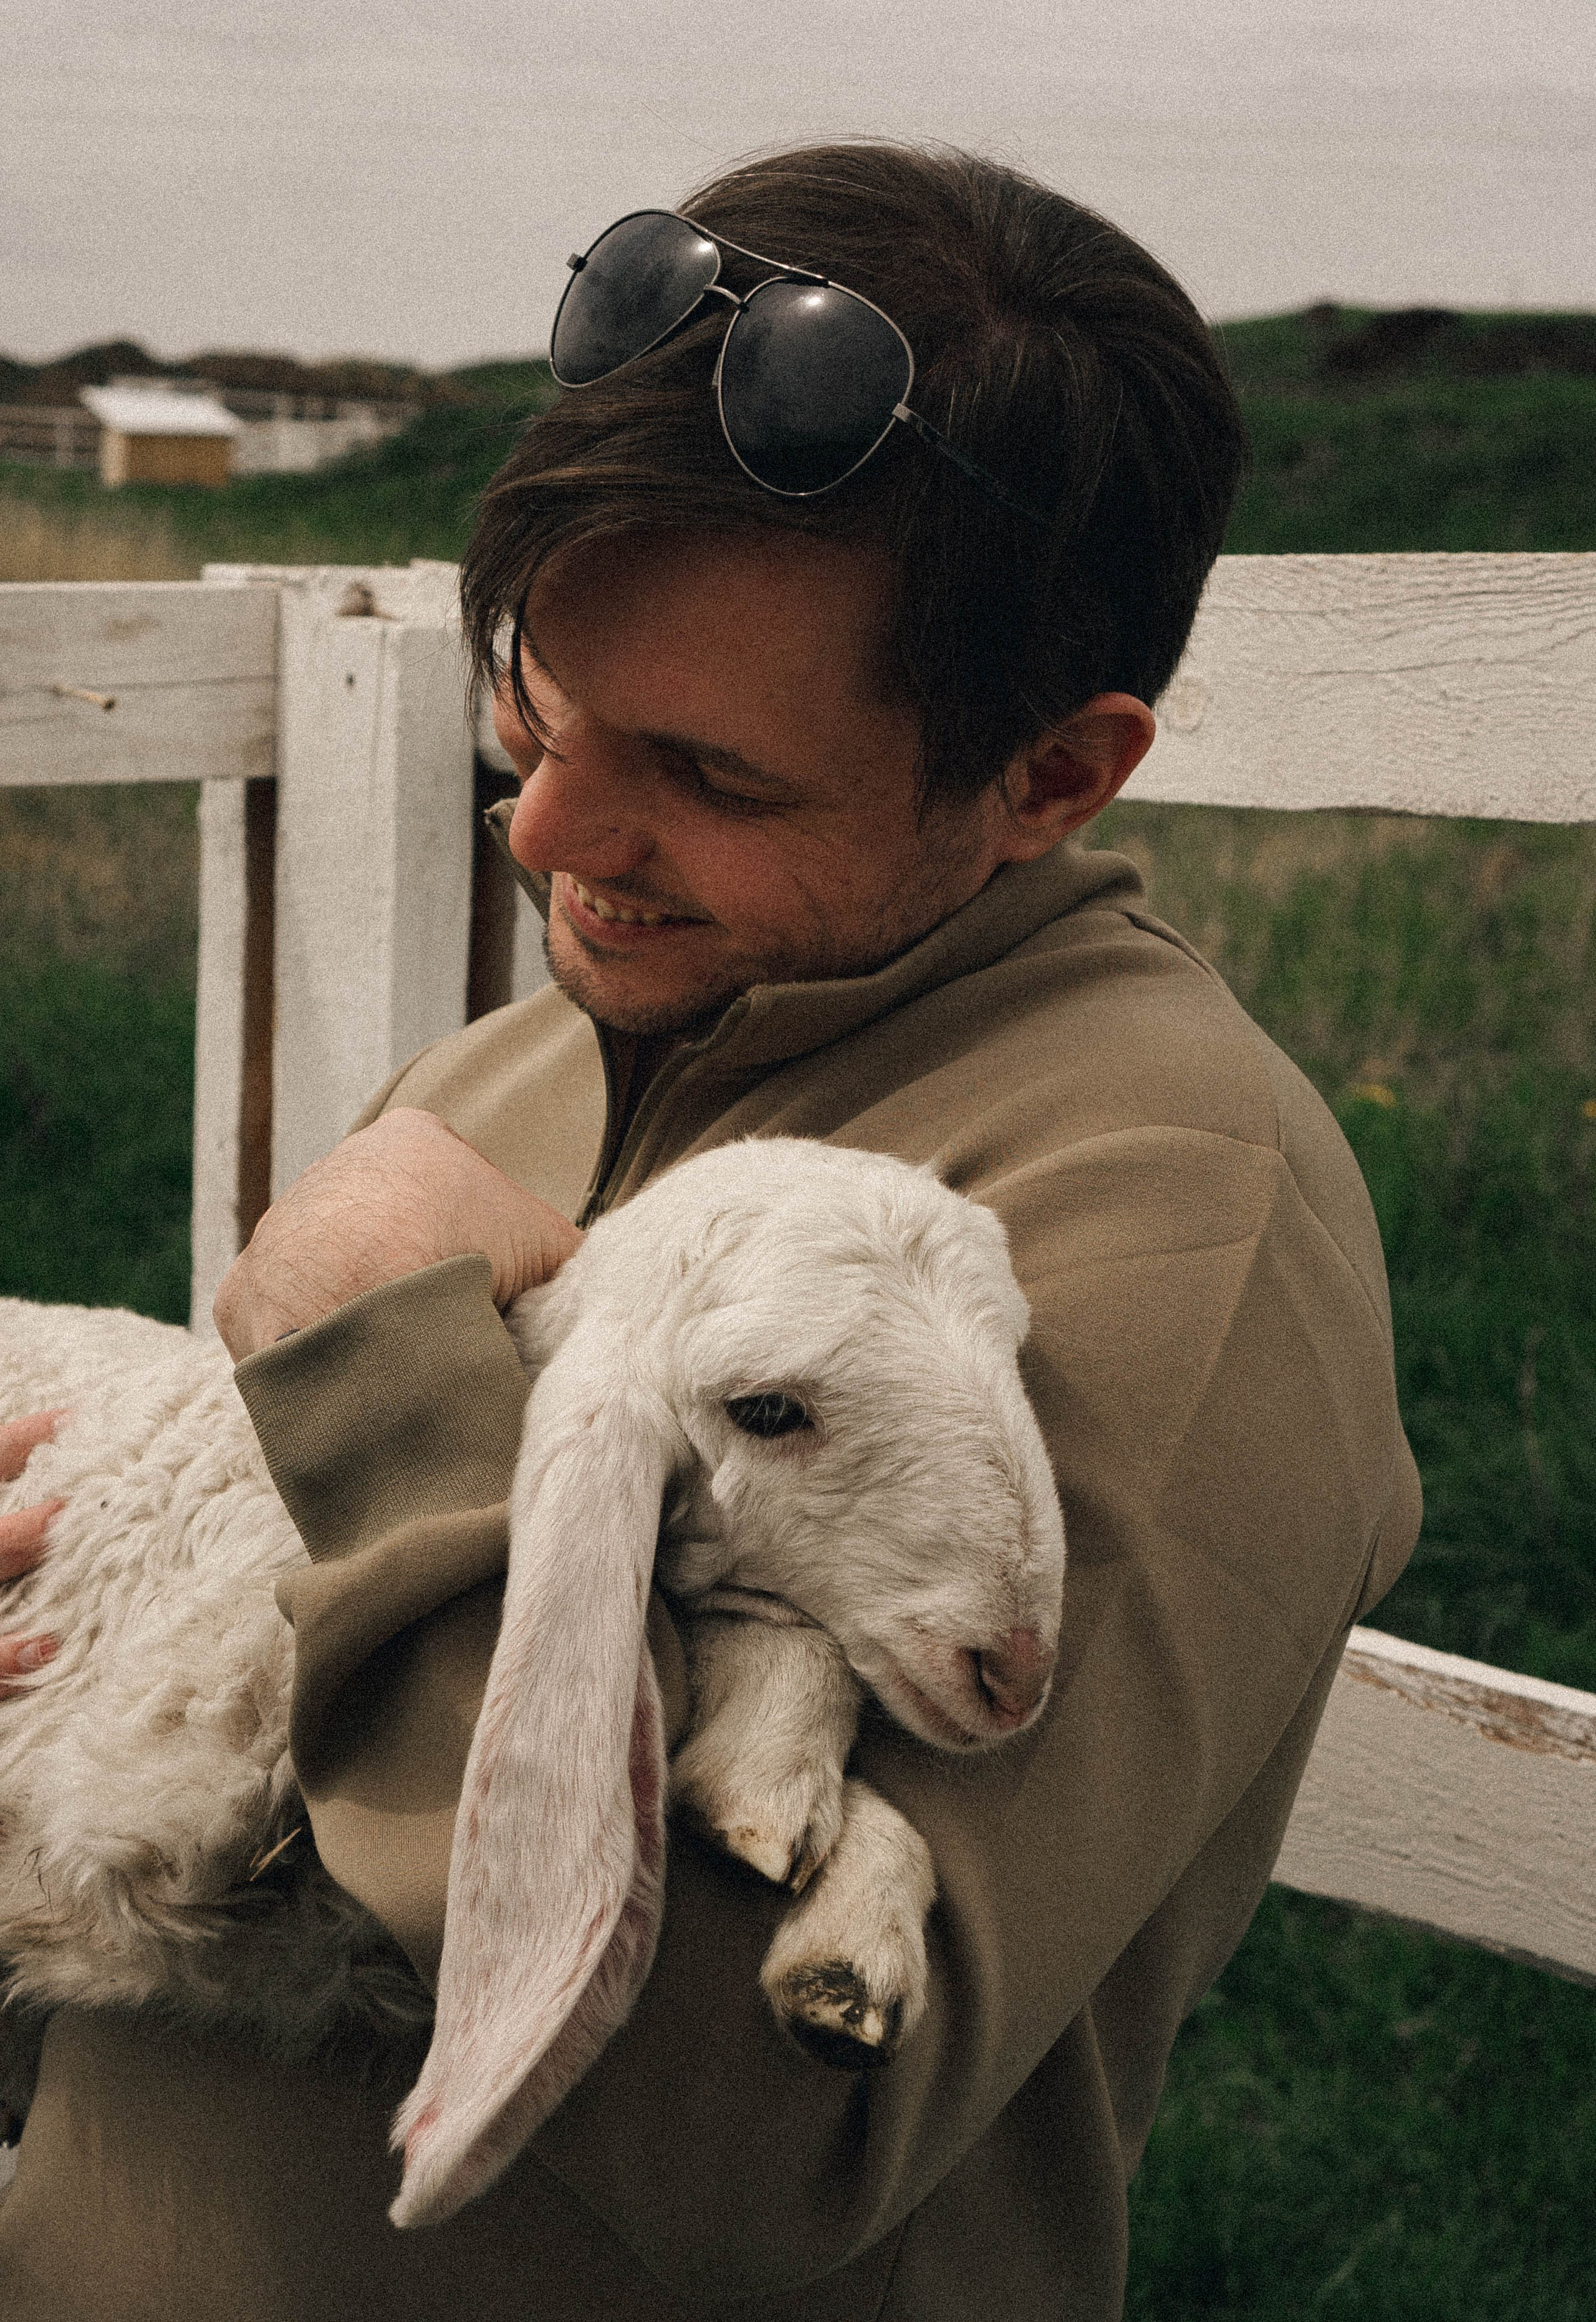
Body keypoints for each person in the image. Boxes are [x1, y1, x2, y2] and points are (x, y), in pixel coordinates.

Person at [0, 143, 1418, 2321]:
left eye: (709, 775)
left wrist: (391, 1386)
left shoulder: (1173, 1222)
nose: (547, 830)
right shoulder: (513, 1076)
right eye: (535, 705)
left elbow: (774, 2133)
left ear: (1055, 773)